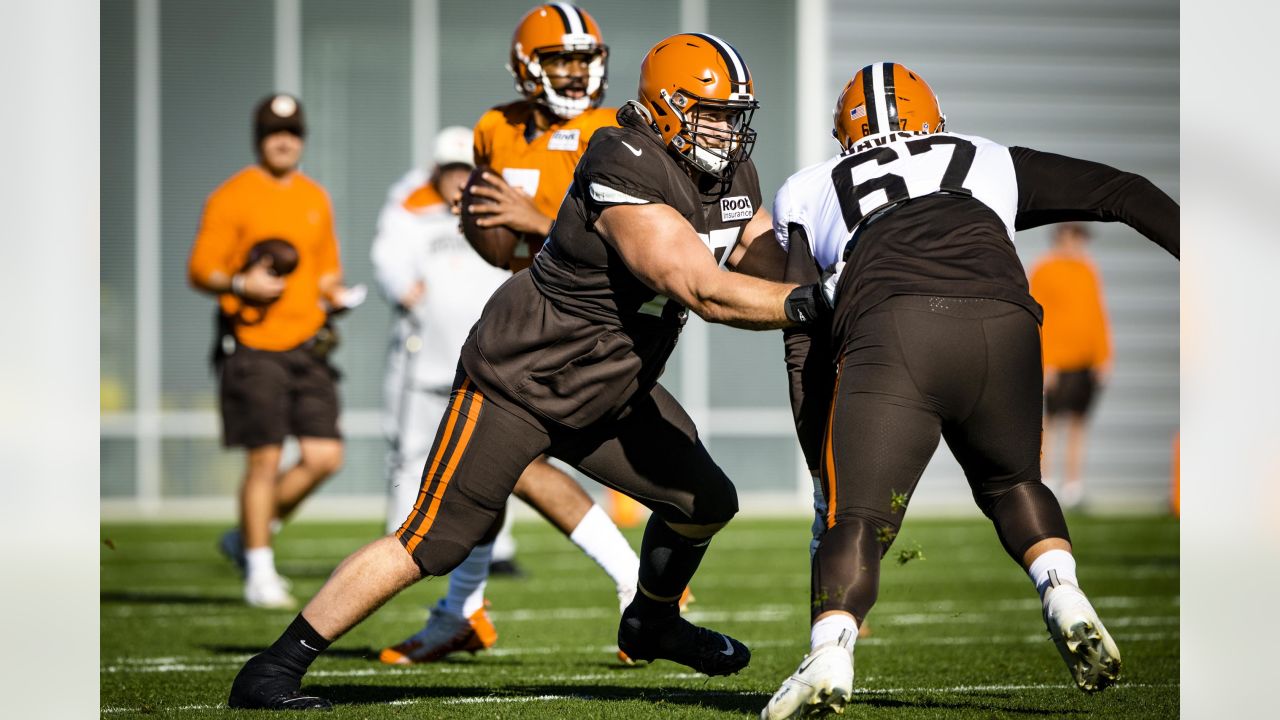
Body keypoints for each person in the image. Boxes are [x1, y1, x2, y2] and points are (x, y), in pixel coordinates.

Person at [228, 32, 830, 710]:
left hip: (611, 386)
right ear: (665, 107)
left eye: (734, 115)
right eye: (710, 112)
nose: (725, 129)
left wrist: (847, 270)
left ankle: (651, 622)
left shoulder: (727, 175)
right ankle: (274, 667)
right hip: (521, 381)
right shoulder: (622, 157)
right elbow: (701, 288)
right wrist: (821, 302)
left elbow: (755, 257)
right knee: (435, 539)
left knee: (704, 503)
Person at [760, 62, 1178, 719]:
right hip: (1003, 319)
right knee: (1015, 484)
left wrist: (820, 460)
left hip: (894, 327)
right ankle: (1062, 590)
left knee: (858, 520)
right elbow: (1124, 191)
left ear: (846, 134)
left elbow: (801, 329)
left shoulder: (810, 187)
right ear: (937, 121)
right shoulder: (985, 156)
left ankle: (831, 653)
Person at [376, 4, 658, 666]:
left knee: (514, 463)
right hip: (531, 321)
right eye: (561, 58)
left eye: (584, 59)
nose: (575, 72)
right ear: (527, 66)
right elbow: (499, 242)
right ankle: (462, 610)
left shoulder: (620, 132)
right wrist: (486, 225)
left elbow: (631, 242)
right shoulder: (495, 128)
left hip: (596, 325)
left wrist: (537, 218)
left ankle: (635, 590)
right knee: (499, 466)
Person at [188, 94, 359, 609]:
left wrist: (335, 294)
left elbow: (327, 266)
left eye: (291, 132)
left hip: (308, 344)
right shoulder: (232, 196)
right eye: (271, 132)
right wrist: (241, 283)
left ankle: (246, 535)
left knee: (325, 457)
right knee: (264, 460)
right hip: (253, 345)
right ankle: (259, 570)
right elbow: (201, 270)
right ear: (258, 138)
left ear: (302, 137)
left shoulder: (314, 196)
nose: (283, 141)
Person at [369, 125, 513, 658]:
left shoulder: (494, 197)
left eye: (464, 169)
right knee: (409, 450)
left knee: (497, 459)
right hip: (424, 351)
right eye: (450, 170)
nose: (458, 179)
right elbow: (387, 256)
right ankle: (400, 539)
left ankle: (497, 552)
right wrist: (401, 287)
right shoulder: (410, 201)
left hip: (482, 355)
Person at [1029, 222, 1112, 509]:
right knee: (1050, 423)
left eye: (1080, 239)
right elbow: (1038, 316)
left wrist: (1104, 356)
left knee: (1079, 423)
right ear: (1059, 238)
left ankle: (1073, 486)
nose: (1075, 244)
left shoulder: (1089, 269)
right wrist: (1045, 361)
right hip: (1057, 361)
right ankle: (1047, 482)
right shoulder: (1044, 269)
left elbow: (1097, 313)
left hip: (1085, 361)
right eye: (1071, 238)